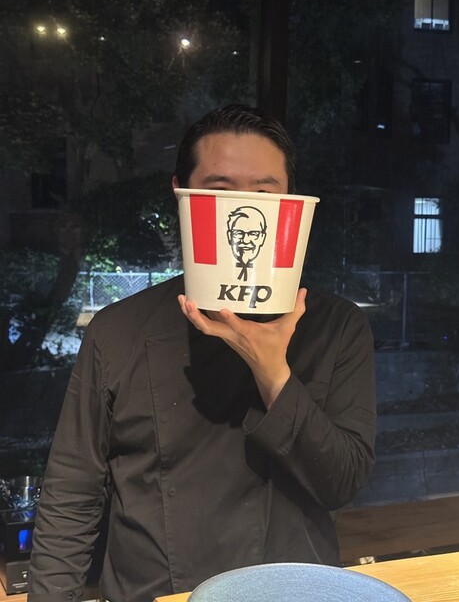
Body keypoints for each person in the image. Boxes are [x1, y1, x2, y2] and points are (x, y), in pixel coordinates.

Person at [28, 104, 376, 602]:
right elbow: (72, 493)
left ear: (289, 206)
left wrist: (274, 374)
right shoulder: (118, 330)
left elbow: (342, 482)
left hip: (292, 593)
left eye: (264, 192)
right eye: (219, 190)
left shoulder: (338, 326)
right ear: (182, 195)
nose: (243, 207)